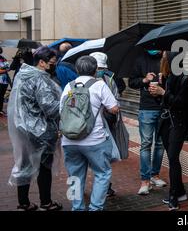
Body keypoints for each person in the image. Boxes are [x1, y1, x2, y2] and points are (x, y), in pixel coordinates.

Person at [7, 46, 62, 211]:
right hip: (41, 131)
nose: (54, 66)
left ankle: (23, 203)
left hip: (22, 129)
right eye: (52, 63)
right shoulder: (40, 79)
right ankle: (46, 202)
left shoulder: (22, 75)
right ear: (42, 63)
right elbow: (50, 108)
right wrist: (65, 102)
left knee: (24, 166)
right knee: (44, 168)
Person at [61, 56, 119, 211]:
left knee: (74, 177)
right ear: (95, 70)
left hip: (69, 140)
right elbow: (114, 108)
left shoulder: (68, 86)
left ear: (77, 70)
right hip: (95, 140)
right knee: (102, 174)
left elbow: (61, 111)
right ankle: (95, 208)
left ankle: (76, 207)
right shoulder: (99, 85)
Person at [150, 51, 188, 210]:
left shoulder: (184, 77)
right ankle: (180, 191)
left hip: (178, 123)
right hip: (166, 122)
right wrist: (157, 92)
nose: (161, 61)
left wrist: (163, 92)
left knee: (173, 158)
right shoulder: (166, 77)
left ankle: (174, 196)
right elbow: (164, 102)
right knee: (172, 157)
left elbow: (181, 102)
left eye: (164, 59)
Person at [89, 52, 129, 198]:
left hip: (107, 123)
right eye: (98, 67)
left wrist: (111, 108)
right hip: (90, 127)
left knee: (104, 157)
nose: (100, 70)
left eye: (102, 68)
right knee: (93, 158)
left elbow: (115, 100)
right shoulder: (81, 82)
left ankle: (105, 186)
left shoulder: (109, 79)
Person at [129, 49, 167, 194]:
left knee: (160, 144)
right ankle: (145, 180)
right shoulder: (140, 59)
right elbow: (132, 82)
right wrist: (144, 80)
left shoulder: (166, 58)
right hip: (146, 108)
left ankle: (154, 175)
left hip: (163, 107)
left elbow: (176, 82)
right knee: (145, 144)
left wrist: (165, 79)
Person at [0, 47, 10, 116]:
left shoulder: (3, 58)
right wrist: (4, 70)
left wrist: (3, 70)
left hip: (4, 81)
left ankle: (0, 110)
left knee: (1, 96)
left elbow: (8, 67)